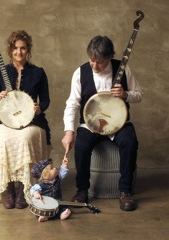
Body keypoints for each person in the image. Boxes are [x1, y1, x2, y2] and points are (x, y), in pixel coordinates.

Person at [61, 35, 142, 211]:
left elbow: (139, 95)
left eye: (100, 62)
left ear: (109, 58)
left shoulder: (123, 69)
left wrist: (126, 94)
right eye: (92, 60)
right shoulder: (80, 73)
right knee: (81, 145)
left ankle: (125, 191)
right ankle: (82, 190)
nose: (95, 66)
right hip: (90, 125)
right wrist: (69, 131)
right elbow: (72, 104)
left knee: (130, 141)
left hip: (119, 125)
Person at [0, 30, 51, 209]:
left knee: (24, 138)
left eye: (23, 48)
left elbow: (46, 100)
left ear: (28, 50)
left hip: (32, 120)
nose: (19, 52)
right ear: (10, 50)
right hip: (5, 119)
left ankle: (24, 188)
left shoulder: (38, 72)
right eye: (15, 48)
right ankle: (10, 190)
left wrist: (39, 109)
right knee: (3, 137)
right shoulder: (0, 72)